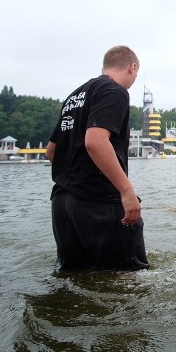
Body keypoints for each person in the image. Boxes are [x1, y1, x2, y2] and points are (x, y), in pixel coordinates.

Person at [45, 45, 148, 272]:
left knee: (75, 277)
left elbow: (51, 152)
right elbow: (96, 141)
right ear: (132, 68)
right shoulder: (115, 91)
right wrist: (127, 191)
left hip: (63, 205)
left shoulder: (75, 96)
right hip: (99, 203)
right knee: (125, 279)